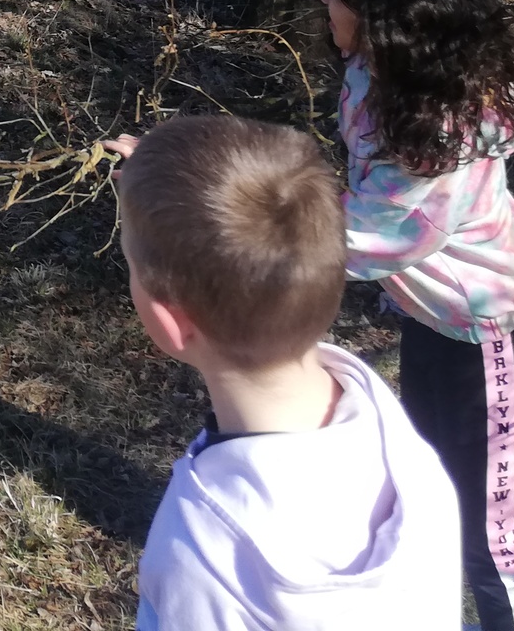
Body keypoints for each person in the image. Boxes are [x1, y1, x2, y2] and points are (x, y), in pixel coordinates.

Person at [182, 0, 514, 631]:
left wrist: (198, 192)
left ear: (388, 24)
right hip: (434, 318)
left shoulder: (436, 150)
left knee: (482, 528)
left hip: (486, 334)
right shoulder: (395, 57)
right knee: (423, 482)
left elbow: (349, 244)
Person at [112, 114, 462, 630]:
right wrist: (161, 186)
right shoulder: (389, 435)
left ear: (173, 322)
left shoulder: (203, 554)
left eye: (130, 266)